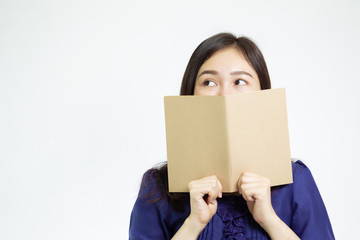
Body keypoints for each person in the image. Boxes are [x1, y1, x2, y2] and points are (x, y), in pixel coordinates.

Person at [129, 33, 335, 239]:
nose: (225, 94)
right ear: (190, 93)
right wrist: (193, 224)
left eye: (239, 81)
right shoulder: (157, 187)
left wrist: (269, 219)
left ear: (262, 92)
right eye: (209, 82)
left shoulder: (295, 181)